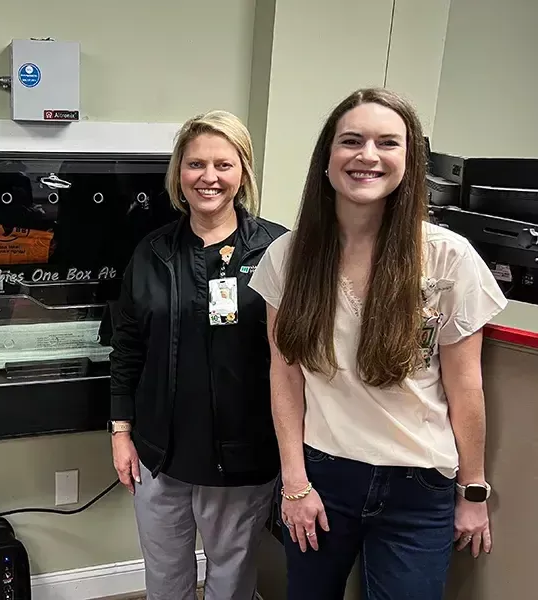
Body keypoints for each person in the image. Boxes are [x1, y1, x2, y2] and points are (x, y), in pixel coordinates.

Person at [248, 88, 507, 600]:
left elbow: (465, 385)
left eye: (388, 142)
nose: (368, 155)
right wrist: (294, 483)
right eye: (352, 141)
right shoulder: (287, 257)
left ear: (409, 163)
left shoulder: (449, 259)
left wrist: (473, 491)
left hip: (419, 486)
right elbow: (285, 375)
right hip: (322, 474)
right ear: (327, 159)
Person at [108, 110, 287, 600]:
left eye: (224, 165)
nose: (209, 177)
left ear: (243, 173)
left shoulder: (278, 251)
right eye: (196, 164)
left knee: (231, 578)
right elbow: (126, 347)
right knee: (165, 577)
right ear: (178, 174)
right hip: (160, 453)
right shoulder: (152, 252)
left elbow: (297, 360)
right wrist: (121, 431)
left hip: (244, 454)